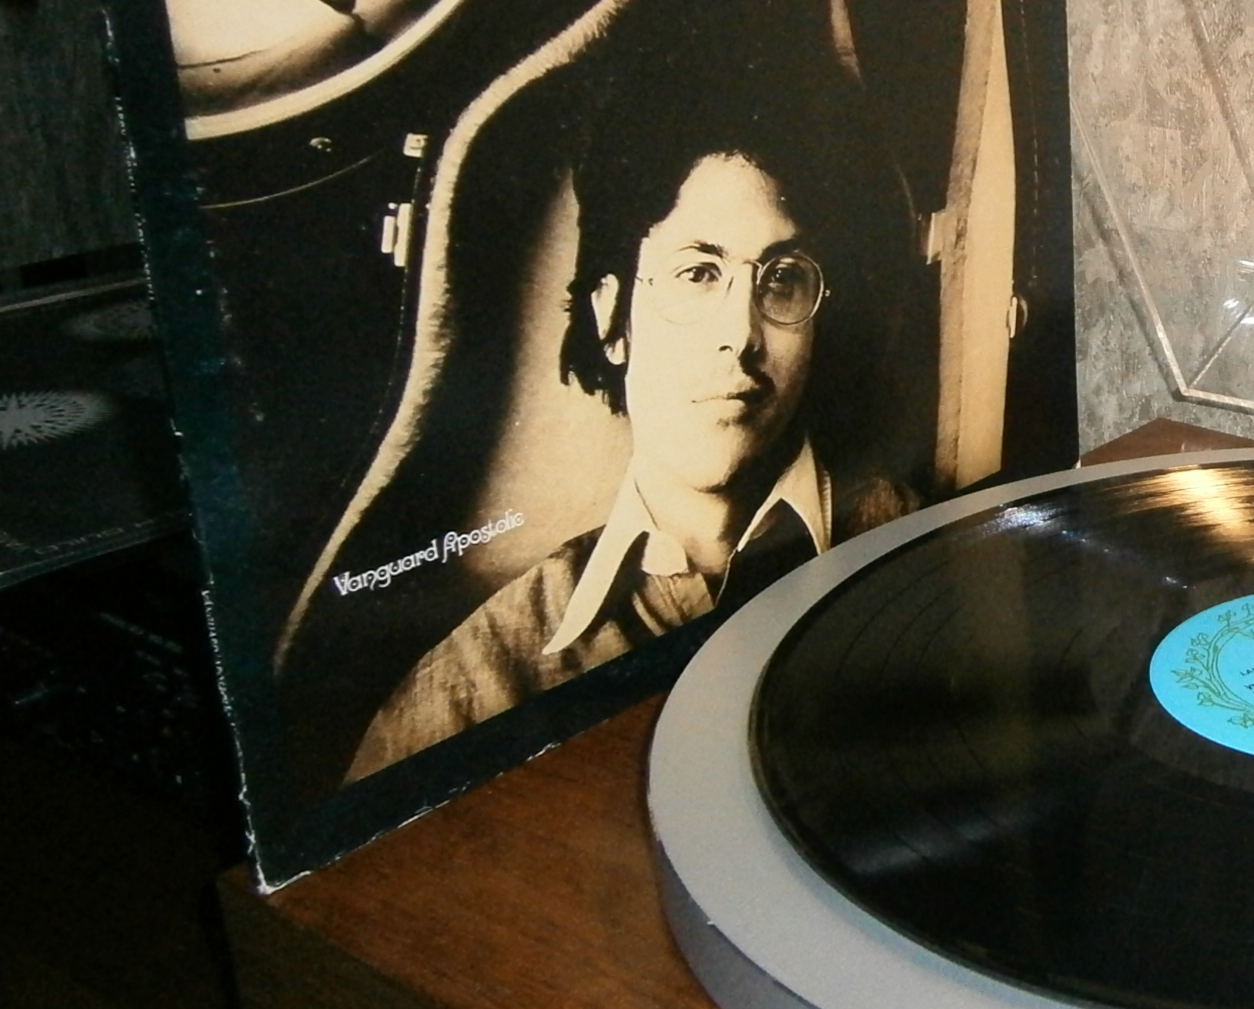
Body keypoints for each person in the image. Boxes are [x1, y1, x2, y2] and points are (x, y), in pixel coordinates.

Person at [345, 61, 910, 779]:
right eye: (698, 273)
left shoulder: (918, 542)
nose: (740, 335)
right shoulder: (464, 692)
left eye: (782, 279)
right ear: (613, 319)